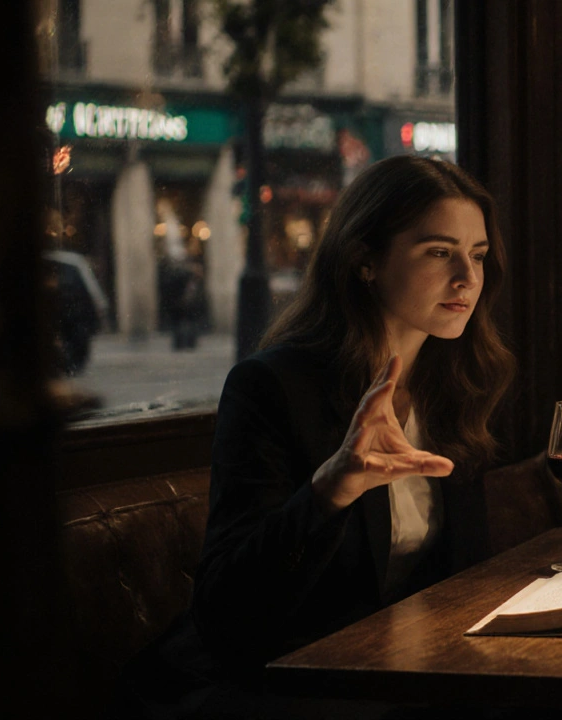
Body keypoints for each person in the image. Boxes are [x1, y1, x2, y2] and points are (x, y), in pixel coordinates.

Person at [118, 155, 515, 718]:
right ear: (364, 261)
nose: (468, 279)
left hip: (396, 672)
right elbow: (224, 610)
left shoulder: (456, 385)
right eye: (438, 252)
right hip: (274, 680)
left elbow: (460, 574)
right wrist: (329, 492)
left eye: (477, 254)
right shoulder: (272, 387)